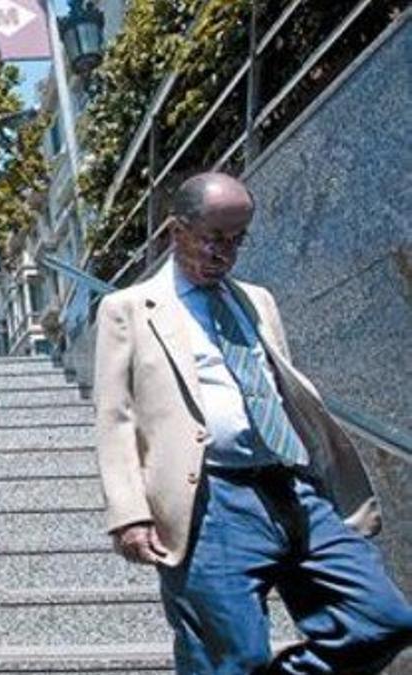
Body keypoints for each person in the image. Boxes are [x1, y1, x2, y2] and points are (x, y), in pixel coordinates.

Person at [94, 171, 412, 673]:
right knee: (231, 658)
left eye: (238, 239)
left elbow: (278, 384)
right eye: (214, 238)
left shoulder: (256, 298)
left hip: (293, 486)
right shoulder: (128, 309)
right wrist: (129, 511)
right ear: (176, 232)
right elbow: (114, 416)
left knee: (381, 618)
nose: (226, 252)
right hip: (210, 500)